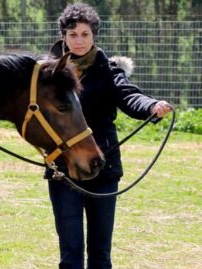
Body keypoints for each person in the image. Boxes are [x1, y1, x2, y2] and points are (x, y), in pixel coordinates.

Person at [44, 3, 172, 269]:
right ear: (63, 37)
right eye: (73, 34)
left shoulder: (109, 71)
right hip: (63, 169)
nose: (79, 40)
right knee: (70, 256)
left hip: (104, 168)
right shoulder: (48, 75)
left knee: (101, 256)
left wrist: (151, 105)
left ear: (94, 36)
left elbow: (129, 96)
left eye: (85, 34)